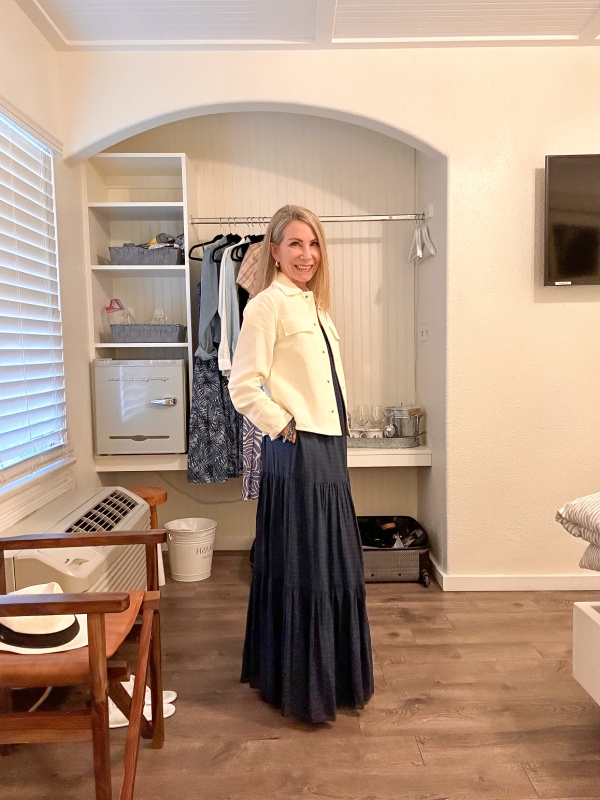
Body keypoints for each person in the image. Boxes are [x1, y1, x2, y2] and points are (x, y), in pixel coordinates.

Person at [229, 204, 374, 723]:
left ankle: (330, 677)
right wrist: (284, 424)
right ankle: (298, 685)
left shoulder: (317, 308)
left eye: (313, 245)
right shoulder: (267, 305)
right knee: (303, 565)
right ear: (274, 250)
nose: (306, 254)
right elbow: (242, 385)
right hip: (297, 449)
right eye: (294, 244)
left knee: (332, 563)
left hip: (330, 449)